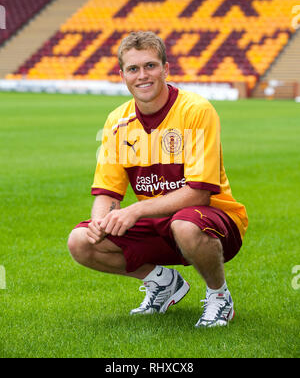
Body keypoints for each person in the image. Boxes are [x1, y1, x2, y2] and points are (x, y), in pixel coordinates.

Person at [68, 31, 248, 328]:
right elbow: (108, 192)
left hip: (213, 221)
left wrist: (135, 210)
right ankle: (163, 282)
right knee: (80, 241)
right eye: (133, 69)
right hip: (159, 224)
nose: (142, 75)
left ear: (166, 68)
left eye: (150, 66)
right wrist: (99, 223)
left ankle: (219, 296)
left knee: (185, 224)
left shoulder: (195, 110)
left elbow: (199, 194)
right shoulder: (117, 121)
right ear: (122, 75)